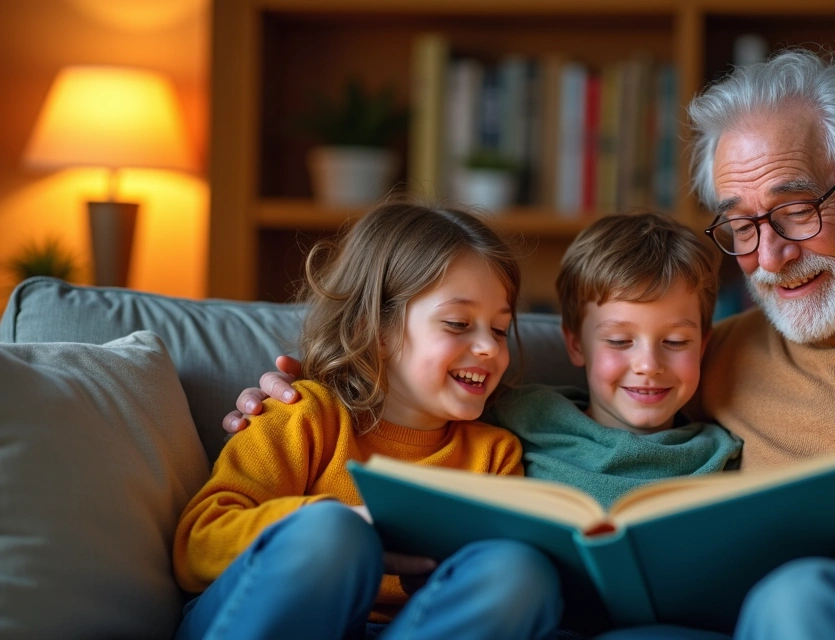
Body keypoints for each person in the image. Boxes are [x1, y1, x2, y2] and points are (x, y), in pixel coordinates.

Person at [229, 50, 835, 639]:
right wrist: (315, 385)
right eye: (741, 226)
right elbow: (510, 389)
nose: (771, 257)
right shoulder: (720, 350)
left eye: (795, 209)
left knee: (797, 600)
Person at [174, 201, 562, 640]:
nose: (490, 348)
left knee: (520, 571)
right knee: (333, 534)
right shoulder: (303, 414)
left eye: (498, 329)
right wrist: (351, 523)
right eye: (458, 323)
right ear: (373, 329)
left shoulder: (495, 454)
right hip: (264, 615)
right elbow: (198, 545)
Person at [484, 212, 742, 509]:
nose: (648, 365)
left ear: (702, 346)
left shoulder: (722, 456)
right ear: (576, 344)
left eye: (675, 342)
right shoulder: (517, 419)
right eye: (620, 341)